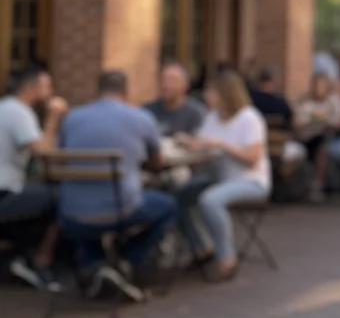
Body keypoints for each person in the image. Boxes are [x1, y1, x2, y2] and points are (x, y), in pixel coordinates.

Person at [58, 71, 178, 300]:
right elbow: (158, 161)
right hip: (120, 210)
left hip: (72, 214)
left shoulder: (72, 118)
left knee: (86, 206)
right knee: (170, 206)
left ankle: (97, 263)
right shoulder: (141, 118)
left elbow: (62, 154)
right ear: (125, 92)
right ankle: (126, 261)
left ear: (97, 92)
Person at [177, 70, 271, 281]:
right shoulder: (212, 117)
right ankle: (202, 248)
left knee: (210, 200)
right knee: (178, 197)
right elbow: (203, 144)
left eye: (211, 92)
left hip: (250, 181)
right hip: (220, 179)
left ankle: (227, 258)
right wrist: (189, 143)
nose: (206, 96)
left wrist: (224, 145)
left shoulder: (249, 118)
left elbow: (253, 158)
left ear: (225, 94)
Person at [0, 66, 67, 290]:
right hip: (5, 192)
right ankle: (38, 261)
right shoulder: (19, 112)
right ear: (31, 88)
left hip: (9, 188)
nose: (51, 91)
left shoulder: (5, 107)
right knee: (62, 197)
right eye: (47, 86)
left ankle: (19, 254)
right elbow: (43, 152)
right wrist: (53, 117)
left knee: (44, 194)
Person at [292, 71, 340, 202]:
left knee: (323, 146)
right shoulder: (305, 102)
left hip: (326, 136)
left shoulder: (333, 101)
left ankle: (318, 183)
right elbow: (297, 121)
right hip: (306, 136)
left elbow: (339, 120)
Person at [144, 61, 205, 137]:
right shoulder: (148, 111)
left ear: (185, 85)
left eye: (172, 80)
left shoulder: (196, 113)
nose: (166, 85)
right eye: (163, 80)